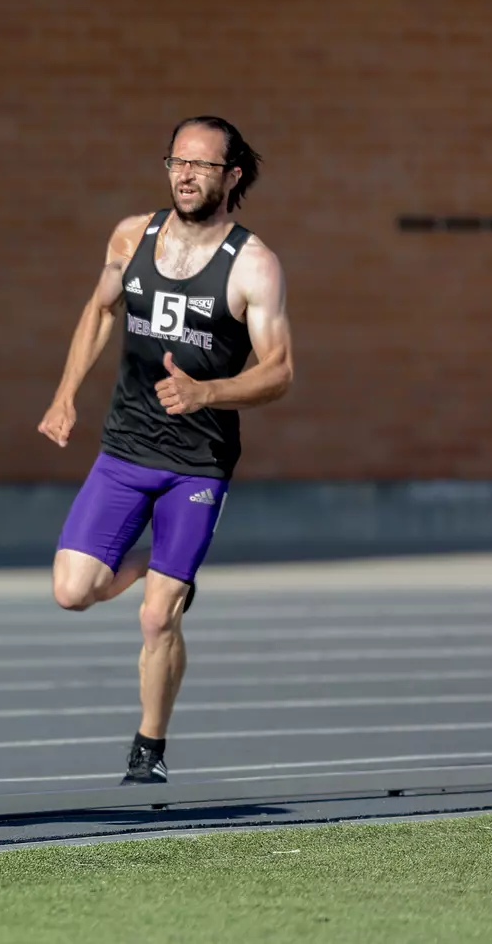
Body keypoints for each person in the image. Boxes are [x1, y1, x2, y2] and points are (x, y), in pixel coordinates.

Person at [38, 116, 294, 785]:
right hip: (124, 446)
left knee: (157, 617)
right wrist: (65, 395)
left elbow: (279, 372)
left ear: (231, 176)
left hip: (197, 464)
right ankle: (171, 565)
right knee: (73, 590)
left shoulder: (253, 264)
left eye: (201, 165)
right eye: (175, 162)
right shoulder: (132, 236)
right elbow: (99, 312)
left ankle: (148, 748)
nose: (184, 175)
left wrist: (208, 395)